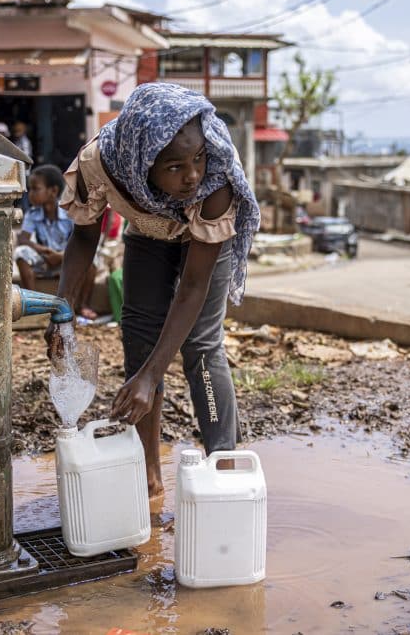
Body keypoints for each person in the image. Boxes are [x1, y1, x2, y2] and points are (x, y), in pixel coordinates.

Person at [49, 82, 260, 496]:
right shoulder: (103, 163)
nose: (192, 174)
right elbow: (84, 237)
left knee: (200, 346)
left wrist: (152, 377)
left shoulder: (213, 181)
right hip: (148, 230)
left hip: (202, 239)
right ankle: (148, 474)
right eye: (175, 166)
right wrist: (63, 309)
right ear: (142, 160)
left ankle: (225, 470)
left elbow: (194, 284)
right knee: (139, 339)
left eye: (196, 158)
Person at [15, 165, 97, 319]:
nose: (30, 194)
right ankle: (34, 305)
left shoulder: (69, 213)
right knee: (21, 253)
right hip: (46, 260)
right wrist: (44, 252)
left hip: (68, 259)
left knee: (93, 259)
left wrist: (60, 256)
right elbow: (23, 239)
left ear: (53, 191)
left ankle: (83, 304)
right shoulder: (32, 214)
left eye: (35, 189)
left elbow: (80, 242)